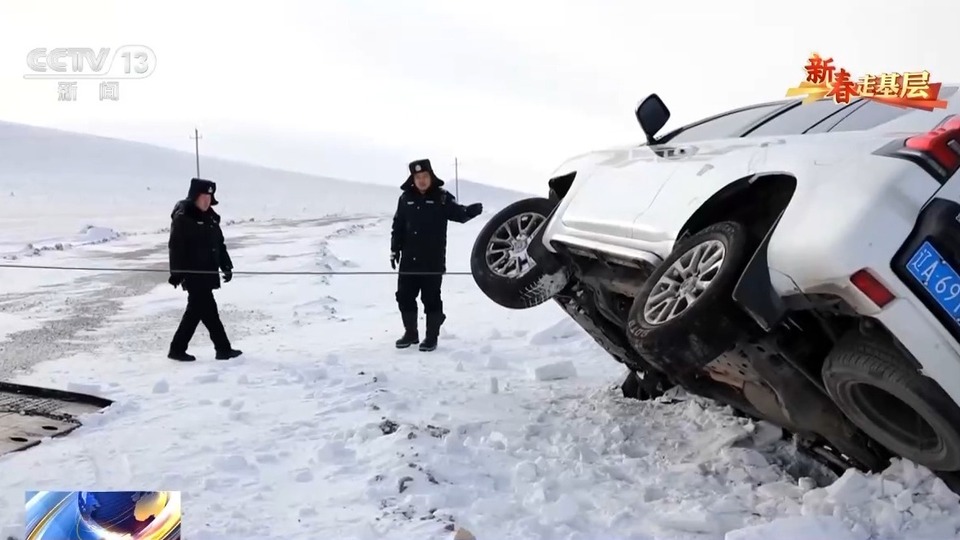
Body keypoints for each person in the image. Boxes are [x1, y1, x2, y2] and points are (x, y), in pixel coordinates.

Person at [391, 159, 483, 352]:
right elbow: (398, 225)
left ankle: (431, 337)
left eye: (425, 176)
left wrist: (469, 212)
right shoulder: (405, 199)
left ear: (431, 176)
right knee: (404, 297)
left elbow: (459, 214)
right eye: (418, 177)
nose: (422, 180)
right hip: (409, 260)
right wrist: (394, 249)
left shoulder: (442, 198)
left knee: (430, 299)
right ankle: (411, 333)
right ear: (413, 179)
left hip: (432, 260)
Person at [166, 178, 243, 362]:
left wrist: (226, 265)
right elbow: (175, 247)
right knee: (205, 310)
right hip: (193, 274)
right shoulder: (184, 217)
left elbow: (219, 244)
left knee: (200, 311)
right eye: (204, 196)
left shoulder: (210, 218)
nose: (207, 200)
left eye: (210, 196)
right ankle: (222, 349)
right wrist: (177, 273)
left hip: (208, 272)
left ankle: (179, 349)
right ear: (195, 196)